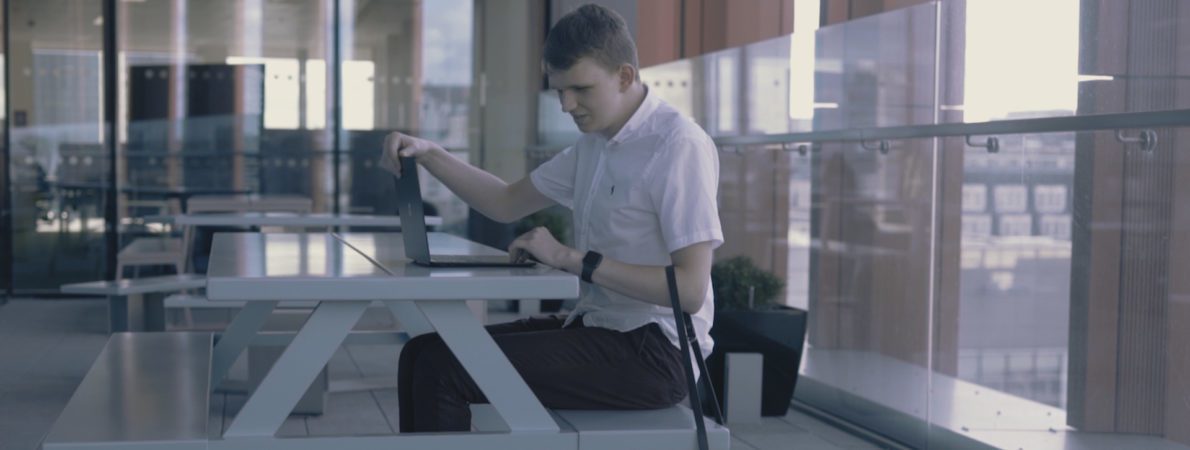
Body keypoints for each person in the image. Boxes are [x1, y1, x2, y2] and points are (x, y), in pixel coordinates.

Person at [379, 3, 722, 432]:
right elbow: (504, 202)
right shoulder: (594, 144)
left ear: (625, 75)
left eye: (579, 89)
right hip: (600, 326)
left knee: (441, 366)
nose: (566, 105)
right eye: (559, 90)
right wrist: (430, 154)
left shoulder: (677, 145)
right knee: (422, 353)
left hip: (656, 352)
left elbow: (689, 290)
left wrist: (568, 257)